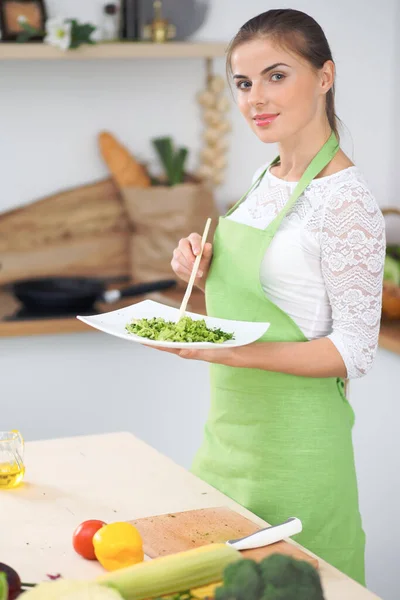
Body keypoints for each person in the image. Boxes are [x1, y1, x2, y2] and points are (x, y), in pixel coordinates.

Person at [156, 9, 386, 585]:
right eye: (243, 82)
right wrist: (203, 273)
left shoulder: (346, 202)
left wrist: (225, 350)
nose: (255, 98)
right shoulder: (266, 179)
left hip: (299, 457)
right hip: (227, 445)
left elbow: (354, 351)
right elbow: (280, 299)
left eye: (276, 76)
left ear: (325, 76)